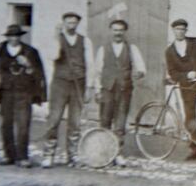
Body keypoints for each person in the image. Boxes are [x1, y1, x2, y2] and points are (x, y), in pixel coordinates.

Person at [0, 25, 47, 168]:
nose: (14, 39)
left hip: (24, 93)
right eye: (11, 36)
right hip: (6, 93)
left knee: (23, 125)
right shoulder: (0, 52)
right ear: (7, 37)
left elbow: (38, 74)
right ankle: (9, 155)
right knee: (6, 124)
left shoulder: (30, 52)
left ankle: (22, 157)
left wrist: (28, 64)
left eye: (17, 36)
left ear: (20, 37)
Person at [42, 11, 95, 168]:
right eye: (68, 22)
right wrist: (56, 37)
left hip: (78, 84)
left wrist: (90, 87)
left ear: (78, 24)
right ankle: (48, 154)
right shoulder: (57, 39)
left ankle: (73, 155)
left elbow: (90, 65)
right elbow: (53, 56)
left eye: (74, 22)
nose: (71, 24)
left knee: (75, 121)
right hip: (60, 84)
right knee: (54, 119)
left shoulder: (85, 41)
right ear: (64, 23)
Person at [93, 19, 146, 166]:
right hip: (107, 90)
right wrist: (97, 90)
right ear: (111, 31)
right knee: (105, 121)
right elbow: (97, 72)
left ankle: (118, 153)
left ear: (124, 32)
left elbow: (141, 68)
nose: (118, 33)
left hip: (124, 90)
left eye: (121, 30)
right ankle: (104, 153)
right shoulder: (103, 49)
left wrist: (139, 73)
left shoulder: (132, 48)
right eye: (115, 30)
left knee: (120, 123)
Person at [164, 18, 196, 161]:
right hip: (186, 85)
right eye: (177, 29)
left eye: (182, 29)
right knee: (190, 115)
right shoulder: (170, 51)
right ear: (173, 31)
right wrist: (186, 75)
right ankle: (195, 148)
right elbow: (173, 73)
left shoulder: (195, 42)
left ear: (186, 31)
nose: (180, 32)